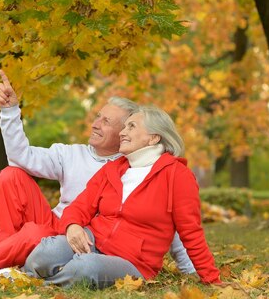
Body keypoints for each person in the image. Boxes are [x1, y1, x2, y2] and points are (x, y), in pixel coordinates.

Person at [0, 71, 195, 275]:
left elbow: (162, 219)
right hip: (56, 224)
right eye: (97, 116)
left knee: (34, 234)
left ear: (126, 131)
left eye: (106, 121)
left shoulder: (134, 169)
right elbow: (21, 157)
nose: (95, 124)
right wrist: (10, 112)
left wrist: (189, 268)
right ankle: (5, 259)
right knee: (11, 175)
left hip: (84, 239)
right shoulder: (71, 153)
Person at [23, 106, 220, 288]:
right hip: (94, 241)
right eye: (124, 126)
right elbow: (80, 206)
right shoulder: (113, 169)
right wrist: (72, 225)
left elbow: (191, 232)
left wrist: (211, 279)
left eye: (131, 126)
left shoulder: (178, 175)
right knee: (47, 251)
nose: (122, 132)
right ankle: (30, 275)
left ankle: (43, 285)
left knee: (86, 266)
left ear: (154, 138)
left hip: (134, 262)